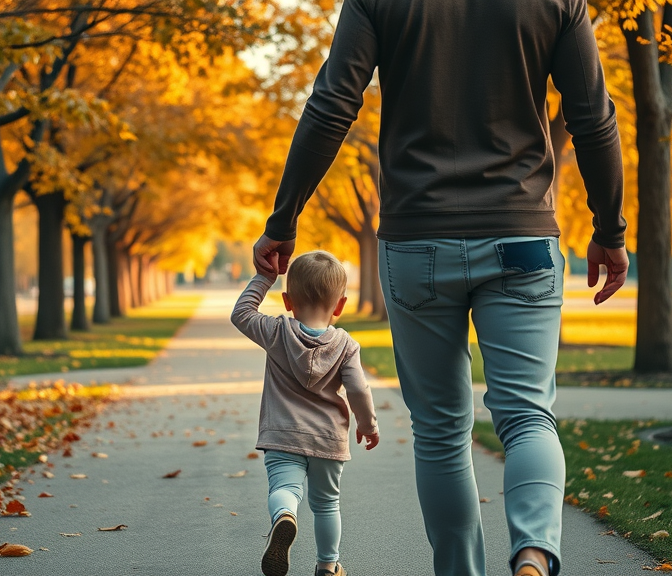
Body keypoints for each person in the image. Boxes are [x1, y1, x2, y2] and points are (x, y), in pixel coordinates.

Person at [251, 0, 630, 575]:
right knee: (528, 416)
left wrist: (284, 220)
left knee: (441, 431)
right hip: (522, 235)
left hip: (416, 240)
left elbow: (332, 105)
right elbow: (592, 116)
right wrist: (609, 227)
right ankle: (532, 554)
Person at [231, 250, 380, 576]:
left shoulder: (276, 332)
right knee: (327, 503)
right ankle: (328, 566)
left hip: (282, 434)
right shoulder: (345, 345)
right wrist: (368, 424)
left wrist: (264, 277)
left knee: (285, 490)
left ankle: (284, 515)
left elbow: (241, 314)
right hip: (328, 439)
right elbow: (358, 389)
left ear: (287, 300)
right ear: (339, 306)